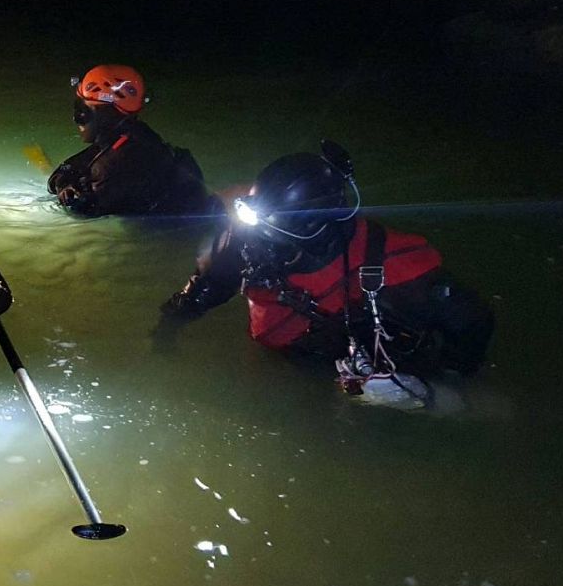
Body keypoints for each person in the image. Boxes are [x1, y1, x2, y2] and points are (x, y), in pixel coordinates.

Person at [158, 141, 493, 399]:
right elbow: (207, 287)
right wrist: (166, 331)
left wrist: (448, 379)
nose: (261, 239)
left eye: (275, 229)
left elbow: (472, 320)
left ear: (315, 228)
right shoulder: (247, 237)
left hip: (334, 363)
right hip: (281, 353)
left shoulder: (396, 263)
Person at [47, 64, 215, 217]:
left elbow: (82, 212)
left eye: (82, 111)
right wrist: (64, 184)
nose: (76, 119)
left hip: (172, 238)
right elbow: (67, 169)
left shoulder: (119, 162)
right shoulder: (130, 136)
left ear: (106, 114)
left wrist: (68, 195)